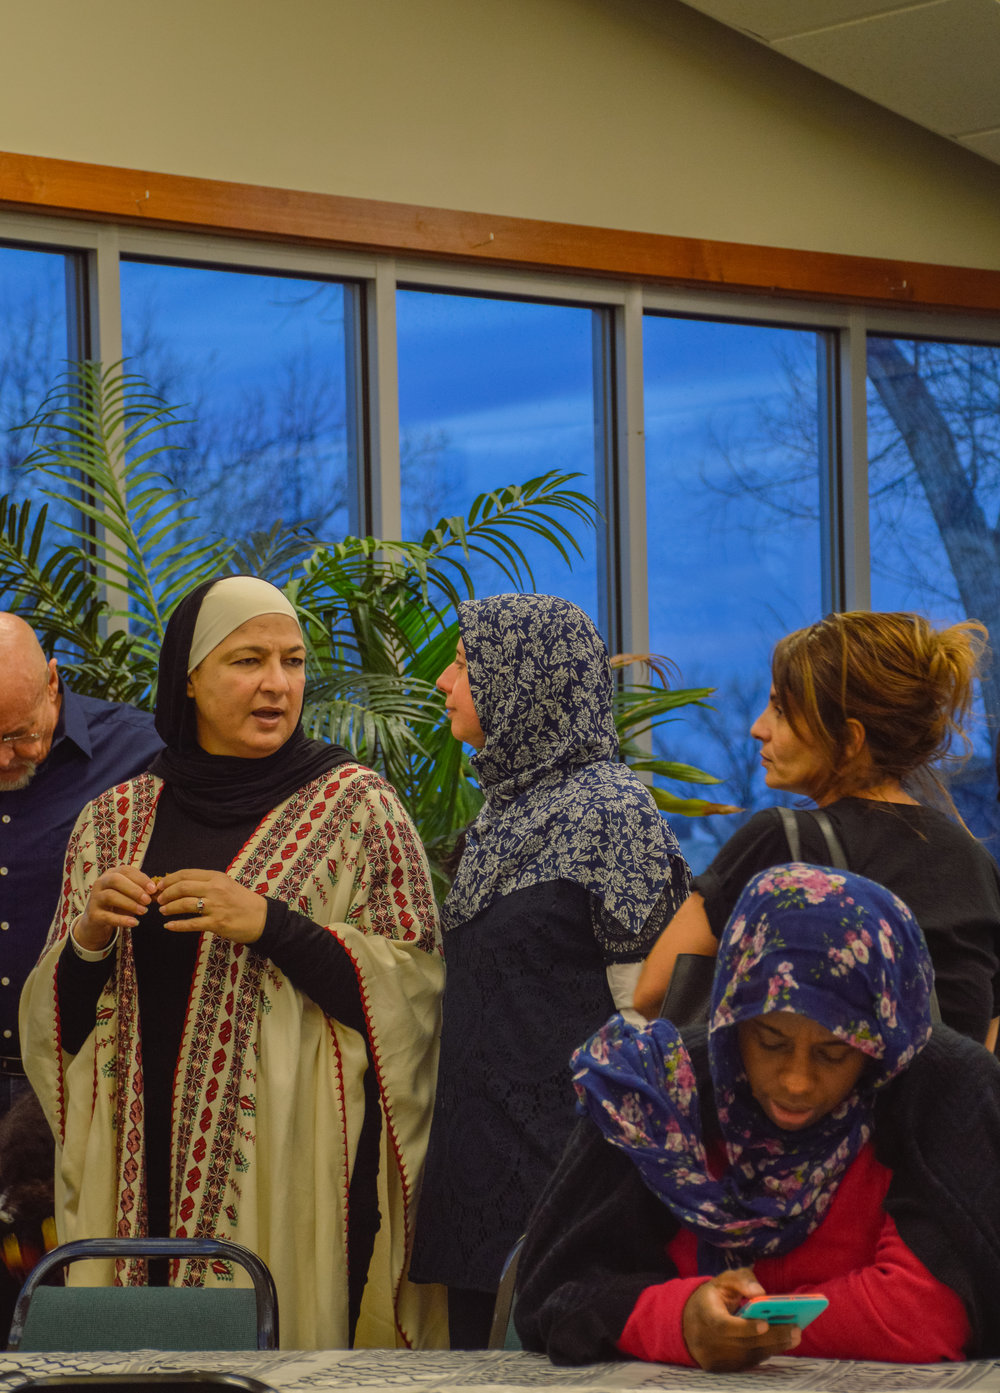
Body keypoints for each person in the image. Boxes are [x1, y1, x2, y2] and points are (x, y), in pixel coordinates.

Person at [20, 576, 446, 1350]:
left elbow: (415, 995)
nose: (276, 684)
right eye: (248, 660)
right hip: (133, 1175)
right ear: (189, 676)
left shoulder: (359, 808)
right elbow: (63, 1029)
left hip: (298, 1177)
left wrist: (273, 925)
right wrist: (86, 938)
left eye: (292, 661)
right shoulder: (116, 820)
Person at [515, 863, 1000, 1367]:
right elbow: (558, 1295)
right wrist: (681, 1321)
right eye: (770, 1042)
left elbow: (924, 1317)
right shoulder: (653, 1100)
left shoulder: (939, 1091)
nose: (796, 1082)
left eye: (834, 1054)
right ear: (730, 1018)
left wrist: (732, 1328)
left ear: (881, 1046)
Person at [408, 593, 691, 1348]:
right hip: (479, 1181)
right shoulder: (501, 814)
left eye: (465, 665)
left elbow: (650, 1017)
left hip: (565, 1188)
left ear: (523, 680)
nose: (443, 681)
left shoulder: (614, 810)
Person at [634, 611, 1000, 1047]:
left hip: (801, 1109)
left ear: (849, 740)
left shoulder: (782, 841)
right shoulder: (973, 861)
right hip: (941, 1114)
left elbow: (655, 992)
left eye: (782, 711)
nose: (758, 728)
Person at [0, 614, 161, 1115]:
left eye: (19, 734)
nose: (4, 760)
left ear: (53, 682)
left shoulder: (143, 753)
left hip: (78, 1079)